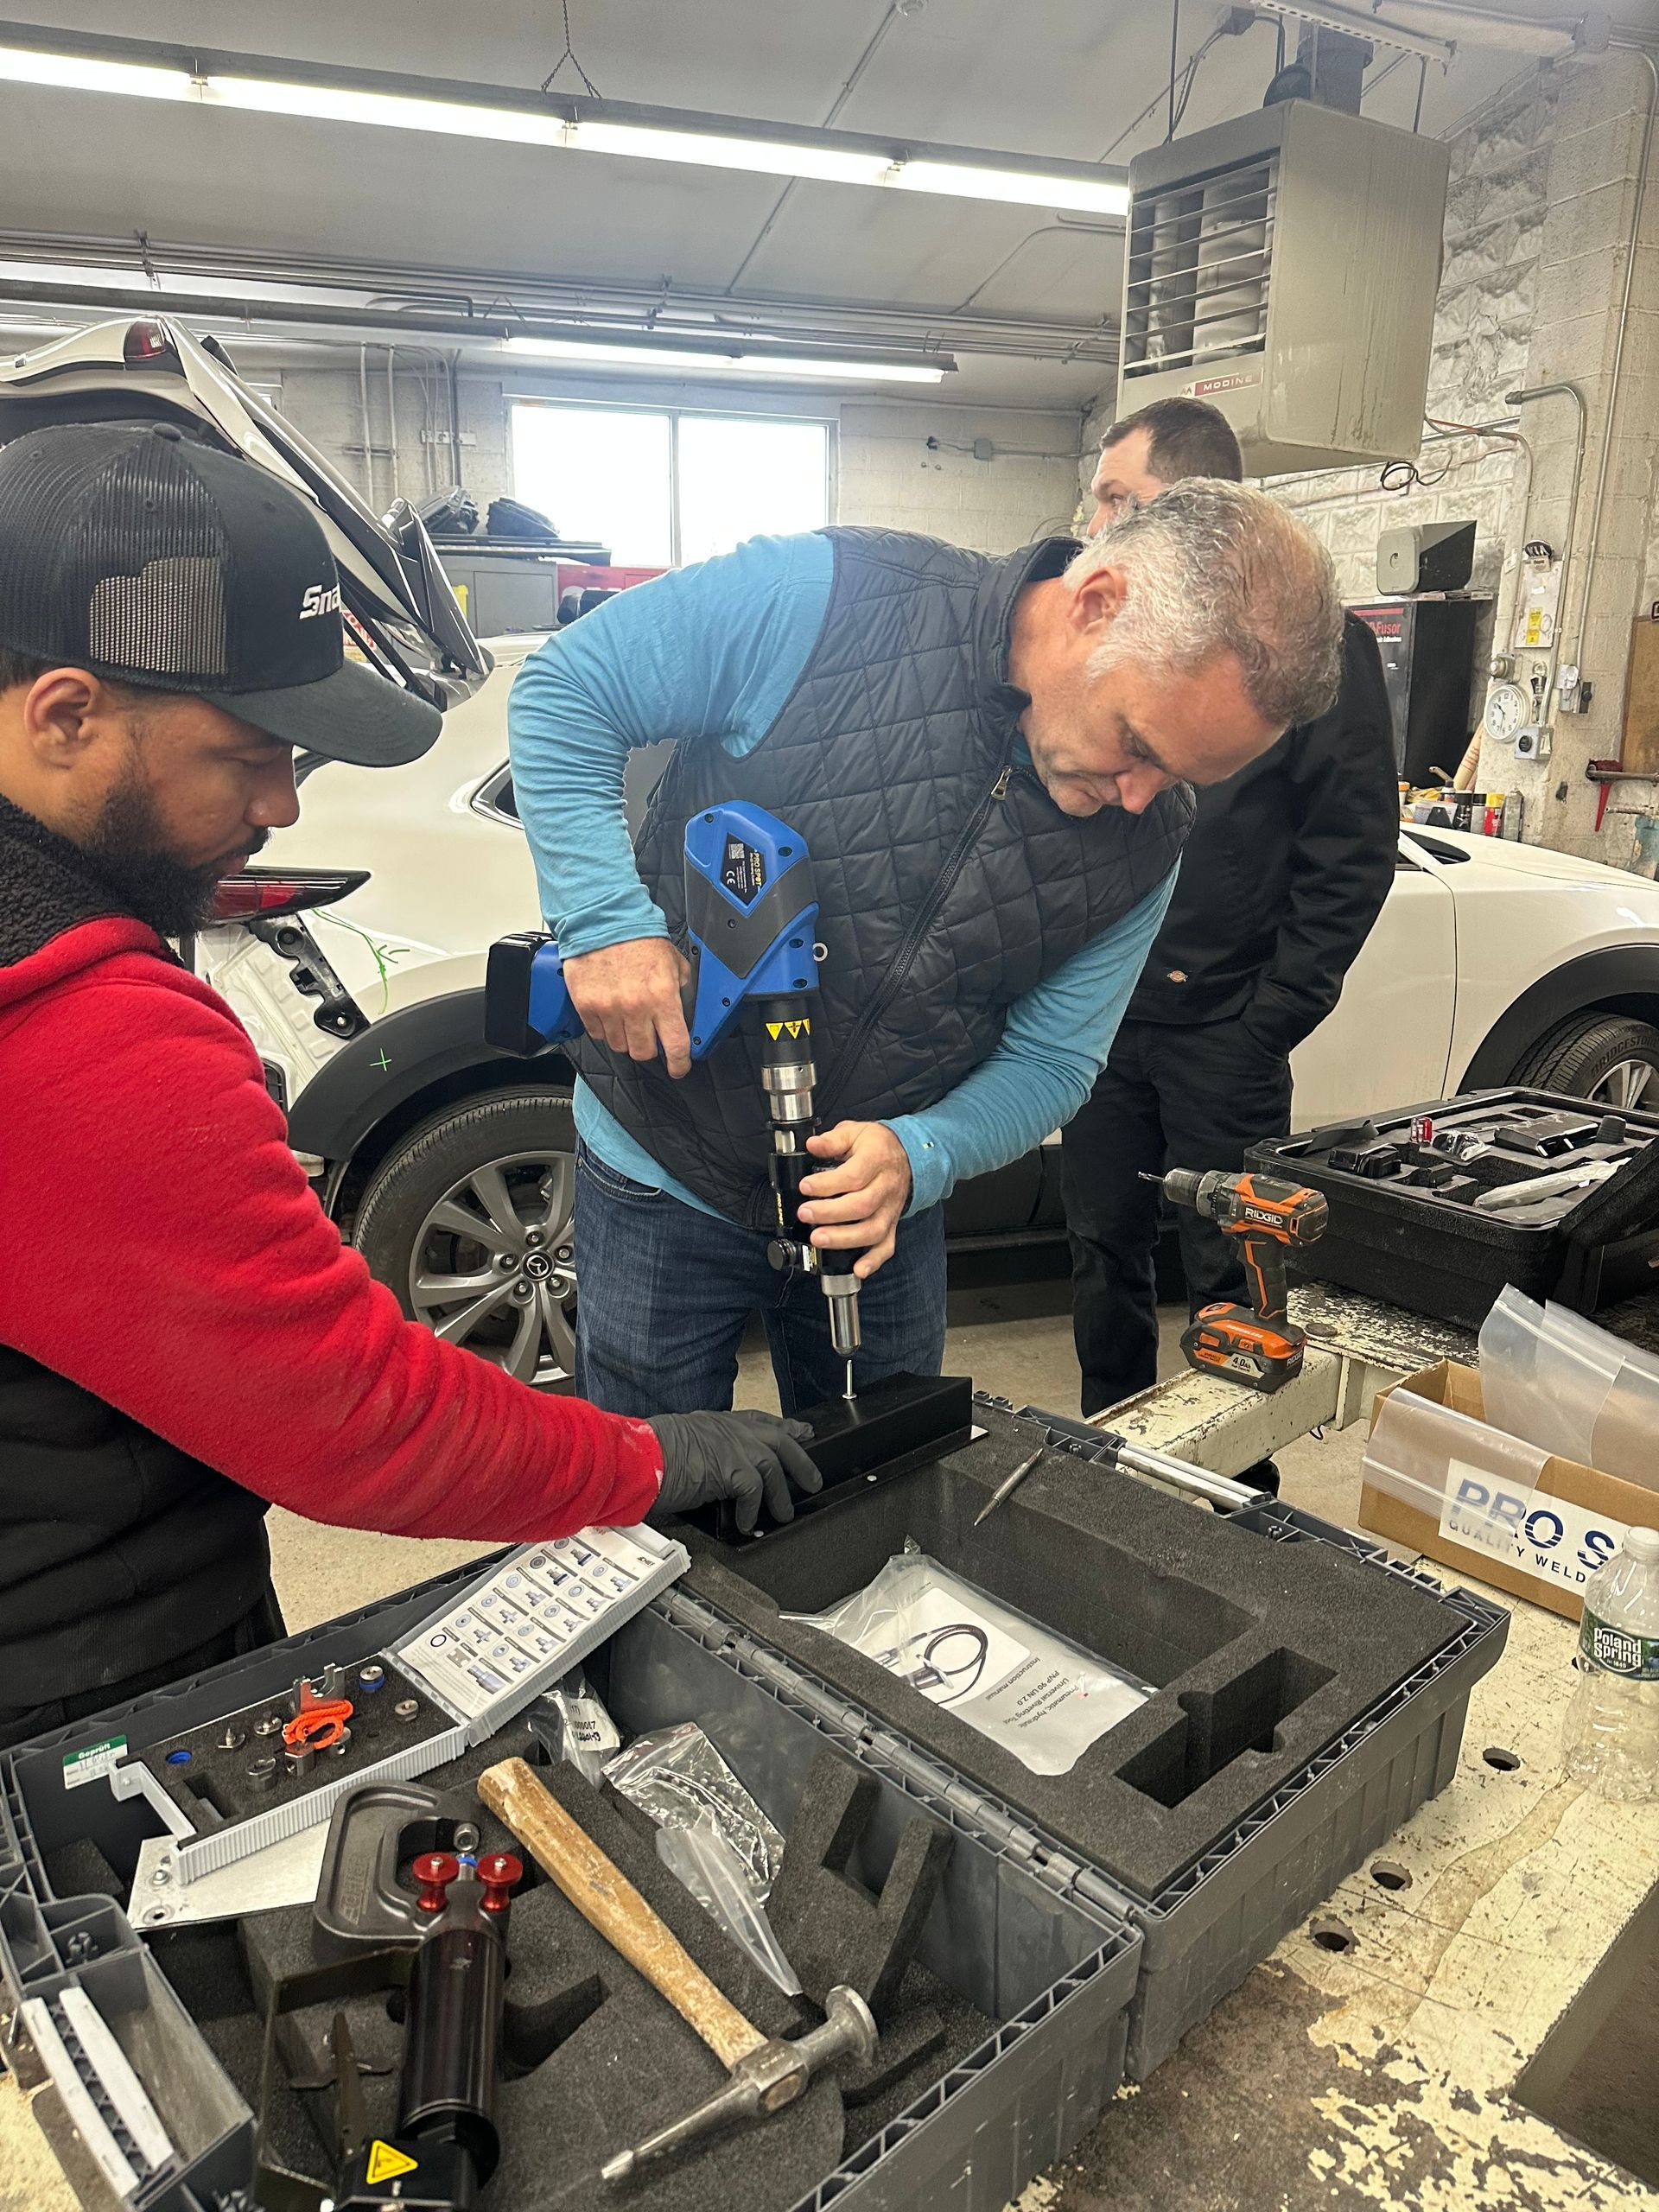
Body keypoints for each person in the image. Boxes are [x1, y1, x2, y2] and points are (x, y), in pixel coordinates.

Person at [0, 422, 819, 1753]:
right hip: (86, 1666)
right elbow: (359, 1420)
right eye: (250, 750)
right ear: (68, 715)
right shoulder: (84, 1033)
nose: (281, 805)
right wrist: (654, 1458)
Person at [507, 486, 1344, 1421]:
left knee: (877, 1496)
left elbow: (1052, 1061)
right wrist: (605, 921)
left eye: (1181, 777)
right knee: (645, 1500)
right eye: (1136, 744)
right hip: (662, 1168)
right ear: (1095, 602)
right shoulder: (824, 599)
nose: (1143, 797)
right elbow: (565, 692)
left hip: (878, 1219)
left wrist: (919, 1156)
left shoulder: (1147, 841)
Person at [1062, 398, 1400, 1415]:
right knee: (1100, 1253)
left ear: (1196, 504)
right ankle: (1101, 1461)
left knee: (1234, 1273)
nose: (1098, 525)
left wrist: (1266, 1023)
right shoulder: (1107, 627)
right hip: (1101, 1023)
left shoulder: (1309, 644)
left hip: (1223, 1030)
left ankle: (1239, 1492)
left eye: (1120, 499)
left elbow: (1353, 852)